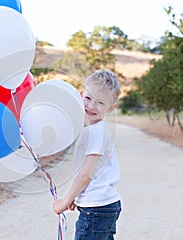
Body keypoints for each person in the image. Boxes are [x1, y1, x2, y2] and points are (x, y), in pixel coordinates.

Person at [53, 69, 122, 240]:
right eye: (88, 98)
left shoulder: (96, 132)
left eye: (100, 103)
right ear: (81, 94)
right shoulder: (92, 129)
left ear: (111, 107)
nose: (91, 106)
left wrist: (64, 201)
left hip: (96, 208)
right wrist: (78, 196)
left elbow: (86, 174)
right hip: (104, 205)